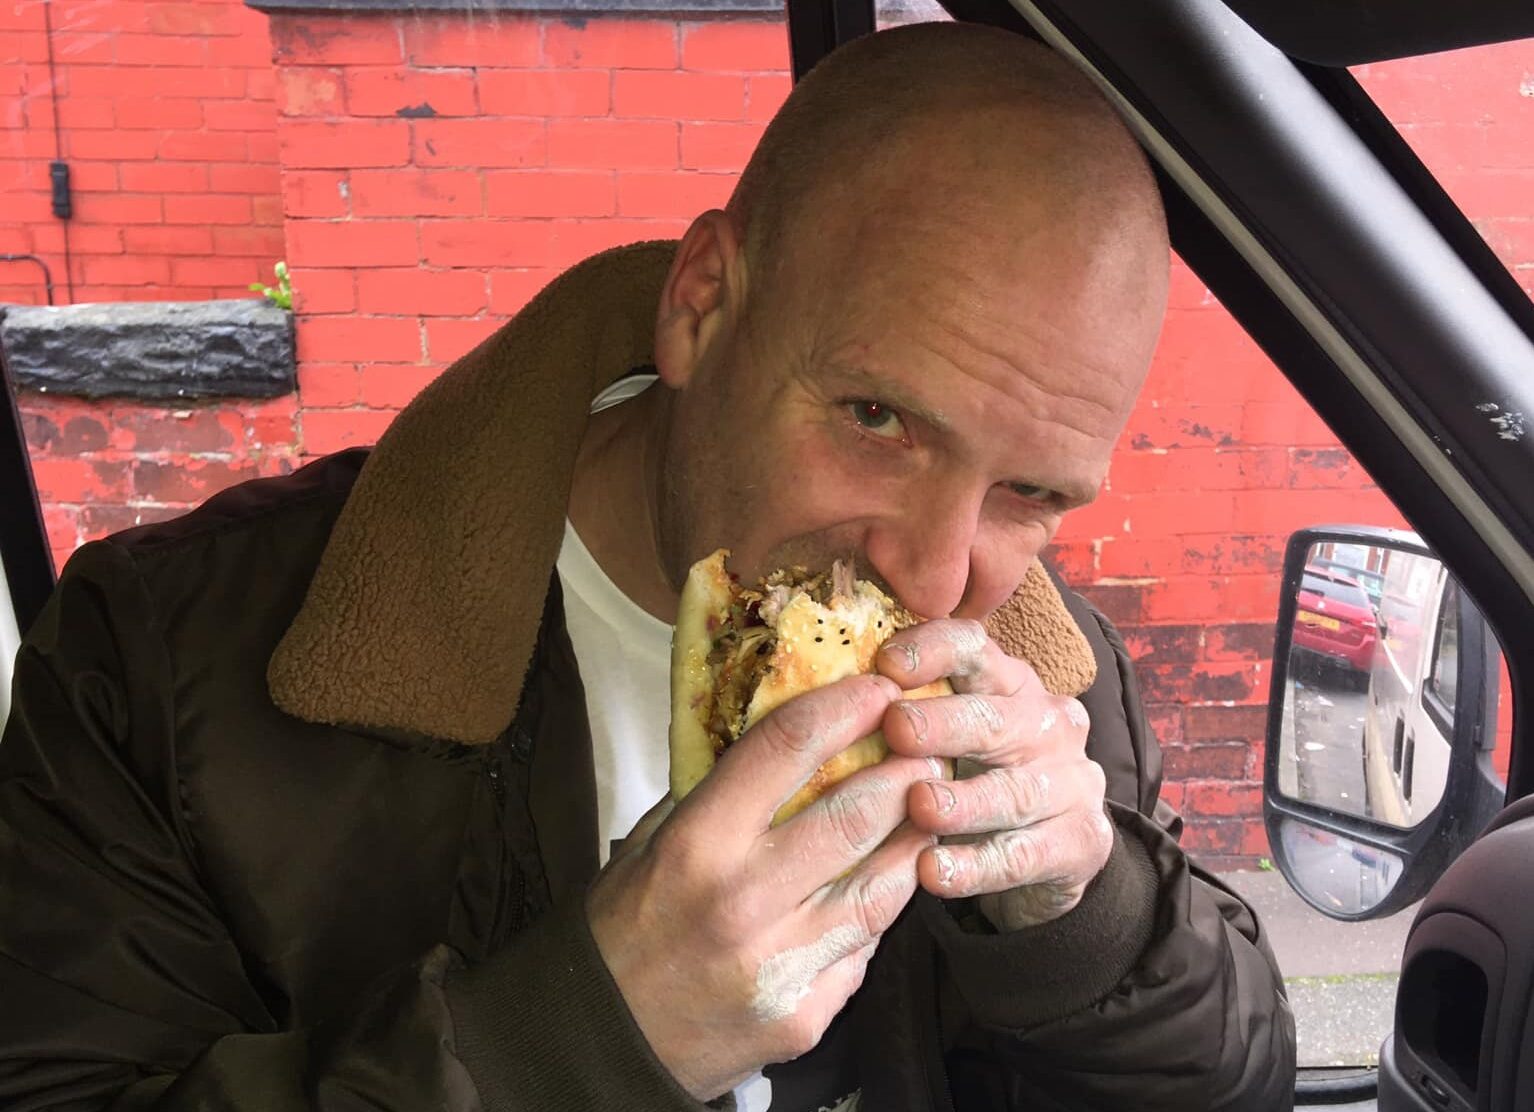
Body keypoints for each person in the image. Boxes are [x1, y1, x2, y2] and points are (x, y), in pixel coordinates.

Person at [0, 21, 1295, 1112]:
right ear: (700, 305)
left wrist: (1091, 919)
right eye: (876, 420)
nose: (936, 574)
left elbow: (1225, 1080)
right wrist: (573, 1040)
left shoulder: (1042, 672)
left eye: (1030, 493)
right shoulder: (162, 661)